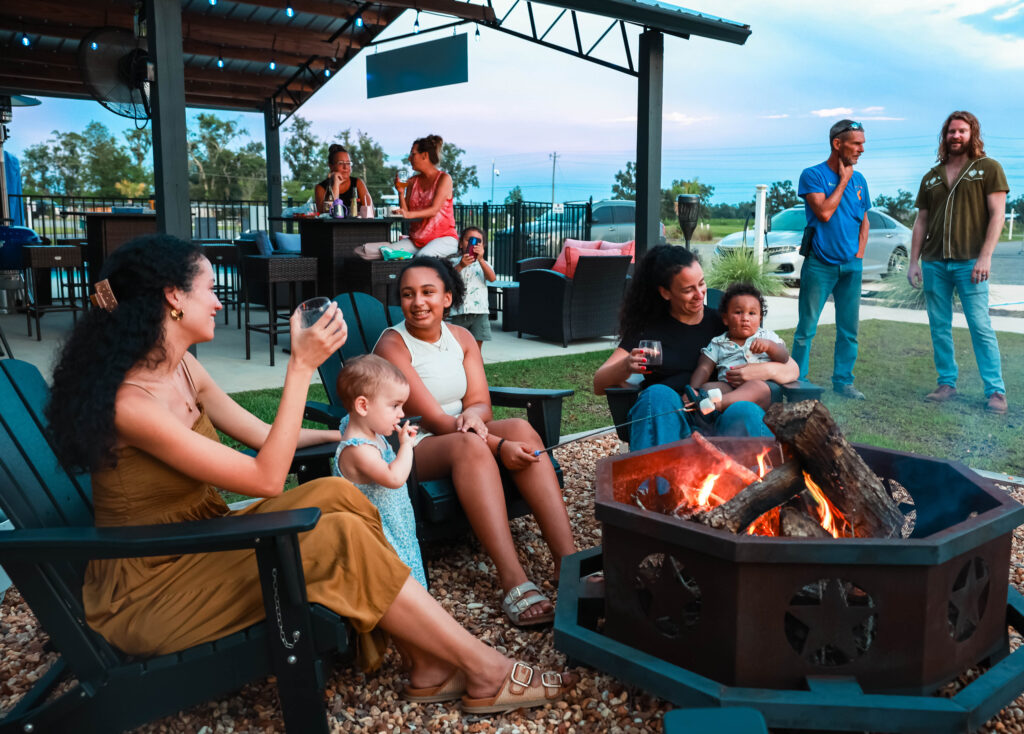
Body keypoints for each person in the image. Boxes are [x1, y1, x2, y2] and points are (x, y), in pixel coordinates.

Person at [44, 235, 576, 713]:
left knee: (333, 495)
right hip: (155, 583)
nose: (219, 299)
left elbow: (263, 437)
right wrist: (299, 367)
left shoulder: (184, 367)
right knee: (332, 527)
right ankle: (483, 669)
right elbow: (265, 478)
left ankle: (429, 663)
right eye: (209, 288)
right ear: (173, 297)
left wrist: (345, 436)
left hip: (201, 545)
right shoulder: (131, 404)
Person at [374, 257, 577, 627]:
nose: (418, 302)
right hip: (411, 446)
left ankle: (568, 561)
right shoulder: (393, 345)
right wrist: (496, 445)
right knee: (471, 444)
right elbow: (433, 420)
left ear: (448, 298)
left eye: (428, 292)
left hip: (462, 433)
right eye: (408, 294)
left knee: (520, 426)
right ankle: (513, 578)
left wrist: (474, 416)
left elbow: (481, 402)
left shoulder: (463, 338)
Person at [593, 246, 798, 450]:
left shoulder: (726, 322)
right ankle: (654, 481)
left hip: (720, 416)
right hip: (670, 419)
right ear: (665, 292)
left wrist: (762, 371)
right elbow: (599, 383)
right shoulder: (648, 330)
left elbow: (791, 368)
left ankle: (754, 481)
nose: (699, 294)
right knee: (657, 395)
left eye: (701, 284)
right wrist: (626, 366)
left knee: (745, 409)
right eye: (688, 289)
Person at [906, 110, 1009, 414]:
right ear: (945, 135)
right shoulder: (932, 176)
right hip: (935, 262)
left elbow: (998, 215)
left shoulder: (988, 169)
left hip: (971, 263)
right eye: (951, 131)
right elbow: (921, 221)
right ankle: (946, 383)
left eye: (962, 131)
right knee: (939, 325)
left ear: (972, 134)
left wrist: (985, 257)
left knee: (980, 326)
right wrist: (914, 261)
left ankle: (995, 391)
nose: (956, 136)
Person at [792, 119, 871, 401]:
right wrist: (844, 180)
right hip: (820, 264)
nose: (862, 148)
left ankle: (844, 381)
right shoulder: (812, 175)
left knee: (849, 330)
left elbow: (864, 221)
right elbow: (824, 212)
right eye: (857, 143)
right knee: (806, 329)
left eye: (863, 142)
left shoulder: (861, 181)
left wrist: (858, 256)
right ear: (838, 144)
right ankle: (797, 380)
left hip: (851, 266)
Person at [333, 354, 427, 588]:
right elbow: (394, 478)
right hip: (378, 536)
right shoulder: (359, 450)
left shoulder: (367, 432)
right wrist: (406, 446)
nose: (402, 414)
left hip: (395, 525)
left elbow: (349, 423)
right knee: (393, 584)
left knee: (408, 574)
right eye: (395, 405)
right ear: (363, 405)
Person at [690, 283, 790, 412]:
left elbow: (784, 357)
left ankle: (718, 406)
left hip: (761, 389)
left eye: (752, 313)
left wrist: (770, 347)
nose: (745, 318)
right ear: (725, 318)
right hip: (728, 387)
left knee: (755, 388)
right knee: (707, 388)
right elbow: (704, 368)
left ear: (760, 318)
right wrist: (694, 390)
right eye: (738, 312)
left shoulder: (767, 336)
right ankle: (705, 409)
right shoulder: (718, 343)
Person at [392, 135, 459, 257]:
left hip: (443, 239)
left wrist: (408, 214)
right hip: (416, 242)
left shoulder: (444, 179)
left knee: (421, 257)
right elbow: (406, 213)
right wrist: (401, 193)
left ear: (425, 155)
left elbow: (434, 210)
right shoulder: (412, 181)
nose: (409, 158)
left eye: (413, 154)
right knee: (386, 252)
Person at [449, 226, 497, 350]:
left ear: (483, 246)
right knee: (458, 348)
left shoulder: (484, 264)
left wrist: (480, 260)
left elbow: (492, 278)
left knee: (476, 349)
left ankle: (475, 369)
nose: (473, 244)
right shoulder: (454, 262)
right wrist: (461, 265)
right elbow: (447, 279)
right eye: (469, 240)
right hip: (459, 313)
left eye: (478, 241)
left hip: (479, 313)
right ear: (460, 244)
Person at [313, 144, 372, 215]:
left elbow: (370, 212)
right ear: (331, 166)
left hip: (356, 226)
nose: (346, 167)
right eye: (341, 163)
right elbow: (328, 213)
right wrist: (336, 184)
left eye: (348, 163)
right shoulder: (320, 188)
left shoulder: (358, 183)